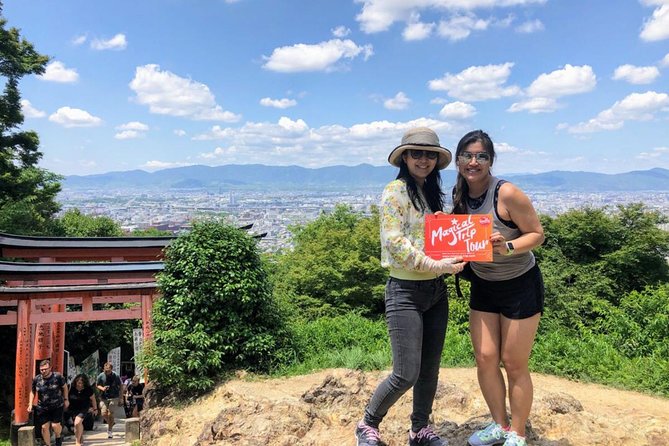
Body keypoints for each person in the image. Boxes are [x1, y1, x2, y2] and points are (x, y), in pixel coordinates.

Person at [355, 127, 466, 446]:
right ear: (404, 157)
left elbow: (430, 238)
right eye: (416, 153)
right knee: (406, 372)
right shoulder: (395, 190)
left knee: (430, 369)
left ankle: (419, 429)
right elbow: (395, 242)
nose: (424, 160)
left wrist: (456, 235)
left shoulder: (429, 193)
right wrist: (436, 266)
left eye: (430, 154)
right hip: (404, 291)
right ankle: (367, 423)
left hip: (435, 292)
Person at [450, 130, 545, 446]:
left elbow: (536, 234)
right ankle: (500, 425)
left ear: (491, 160)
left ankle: (517, 433)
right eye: (467, 155)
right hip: (484, 284)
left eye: (481, 156)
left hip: (520, 284)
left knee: (514, 362)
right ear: (458, 159)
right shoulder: (460, 194)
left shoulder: (506, 193)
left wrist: (509, 245)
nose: (473, 162)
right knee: (486, 357)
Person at [28, 359, 69, 446]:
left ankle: (58, 436)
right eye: (41, 369)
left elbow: (65, 387)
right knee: (44, 427)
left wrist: (66, 399)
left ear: (50, 368)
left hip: (57, 405)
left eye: (45, 369)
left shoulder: (57, 376)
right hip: (42, 407)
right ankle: (48, 444)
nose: (43, 371)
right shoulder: (36, 379)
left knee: (55, 426)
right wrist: (30, 404)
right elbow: (32, 392)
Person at [66, 374, 98, 446]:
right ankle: (80, 437)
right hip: (73, 408)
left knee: (77, 422)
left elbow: (93, 399)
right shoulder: (70, 387)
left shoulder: (88, 389)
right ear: (75, 382)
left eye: (82, 383)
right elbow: (66, 396)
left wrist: (95, 409)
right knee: (77, 425)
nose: (80, 385)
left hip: (84, 408)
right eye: (78, 383)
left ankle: (77, 442)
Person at [96, 362, 123, 439]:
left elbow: (121, 386)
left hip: (114, 396)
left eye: (108, 370)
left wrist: (121, 398)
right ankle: (111, 422)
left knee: (110, 413)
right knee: (103, 413)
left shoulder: (116, 376)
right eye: (105, 370)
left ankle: (110, 430)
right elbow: (97, 385)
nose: (107, 371)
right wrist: (102, 388)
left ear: (111, 369)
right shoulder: (101, 376)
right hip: (103, 397)